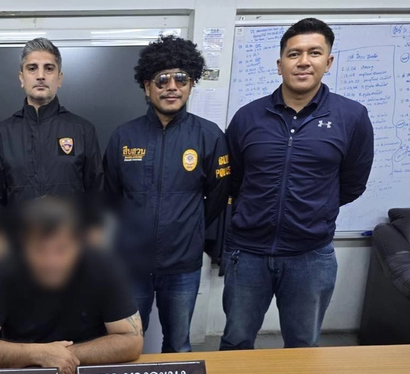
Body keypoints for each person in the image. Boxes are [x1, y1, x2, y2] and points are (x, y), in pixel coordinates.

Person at [220, 18, 374, 350]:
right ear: (280, 65)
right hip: (247, 253)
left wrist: (314, 210)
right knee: (236, 341)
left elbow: (352, 183)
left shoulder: (352, 117)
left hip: (310, 255)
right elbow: (234, 180)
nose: (303, 61)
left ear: (328, 62)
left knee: (303, 345)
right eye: (294, 54)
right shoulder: (248, 117)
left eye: (314, 53)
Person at [103, 35, 231, 353]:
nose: (171, 87)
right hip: (131, 264)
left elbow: (217, 197)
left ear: (191, 84)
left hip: (183, 265)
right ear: (147, 87)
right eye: (162, 79)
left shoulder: (209, 136)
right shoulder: (123, 136)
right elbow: (110, 198)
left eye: (181, 78)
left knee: (179, 344)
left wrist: (190, 229)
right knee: (126, 345)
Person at [0, 196, 143, 374]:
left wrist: (63, 355)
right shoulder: (3, 269)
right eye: (40, 250)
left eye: (61, 249)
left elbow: (131, 340)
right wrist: (38, 354)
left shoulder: (104, 266)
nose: (51, 262)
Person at [0, 37, 103, 227]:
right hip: (19, 243)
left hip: (70, 242)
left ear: (59, 78)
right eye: (32, 68)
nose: (40, 76)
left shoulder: (83, 130)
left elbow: (96, 196)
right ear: (21, 78)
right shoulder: (2, 134)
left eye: (49, 68)